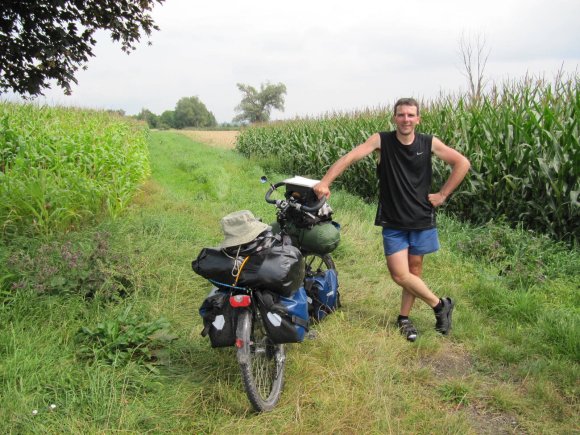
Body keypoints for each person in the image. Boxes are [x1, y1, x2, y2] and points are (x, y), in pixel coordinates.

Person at [313, 98, 470, 342]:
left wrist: (442, 195)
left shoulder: (428, 142)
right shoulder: (381, 141)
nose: (405, 119)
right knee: (400, 275)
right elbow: (349, 158)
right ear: (394, 118)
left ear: (418, 119)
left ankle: (404, 319)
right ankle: (440, 305)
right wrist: (325, 181)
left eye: (410, 115)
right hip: (393, 221)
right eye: (401, 115)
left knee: (414, 271)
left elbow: (462, 163)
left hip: (421, 218)